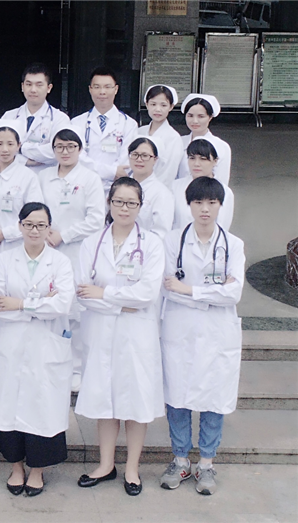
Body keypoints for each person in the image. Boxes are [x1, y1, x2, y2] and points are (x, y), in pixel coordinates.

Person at [74, 177, 165, 496]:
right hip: (100, 332)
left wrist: (105, 295)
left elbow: (147, 294)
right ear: (109, 203)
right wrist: (122, 303)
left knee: (136, 399)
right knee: (105, 397)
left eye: (131, 203)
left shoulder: (151, 244)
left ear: (140, 206)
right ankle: (105, 465)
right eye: (119, 201)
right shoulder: (91, 243)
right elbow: (83, 293)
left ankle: (132, 469)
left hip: (136, 335)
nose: (124, 208)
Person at [159, 176, 245, 496]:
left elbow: (234, 293)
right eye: (198, 202)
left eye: (211, 202)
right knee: (178, 398)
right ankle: (180, 459)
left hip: (218, 333)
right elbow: (168, 288)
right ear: (189, 205)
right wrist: (211, 293)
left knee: (214, 399)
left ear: (220, 205)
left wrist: (189, 290)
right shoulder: (173, 242)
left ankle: (206, 464)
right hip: (180, 330)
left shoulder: (233, 245)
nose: (205, 209)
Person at [0, 202, 74, 496]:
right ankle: (16, 467)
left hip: (46, 346)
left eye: (41, 225)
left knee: (42, 406)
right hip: (12, 343)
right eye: (29, 224)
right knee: (9, 405)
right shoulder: (5, 260)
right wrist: (41, 305)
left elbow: (62, 304)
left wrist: (21, 304)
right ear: (20, 226)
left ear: (49, 228)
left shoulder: (60, 262)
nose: (35, 230)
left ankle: (37, 470)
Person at [0, 120, 44, 380]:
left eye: (10, 144)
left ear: (19, 146)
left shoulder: (27, 176)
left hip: (15, 244)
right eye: (0, 143)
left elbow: (35, 213)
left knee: (13, 299)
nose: (5, 149)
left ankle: (18, 357)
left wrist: (5, 232)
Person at [37, 127, 105, 392]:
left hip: (76, 251)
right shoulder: (43, 177)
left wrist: (64, 235)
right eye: (60, 147)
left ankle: (76, 368)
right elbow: (35, 209)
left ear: (79, 149)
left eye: (70, 147)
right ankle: (49, 364)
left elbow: (96, 220)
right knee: (46, 304)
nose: (65, 152)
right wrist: (44, 233)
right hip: (45, 248)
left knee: (74, 311)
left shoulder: (90, 178)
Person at [71, 67, 138, 194]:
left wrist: (112, 174)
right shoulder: (77, 123)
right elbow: (77, 157)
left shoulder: (129, 124)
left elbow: (127, 161)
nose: (102, 92)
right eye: (97, 87)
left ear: (116, 89)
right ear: (90, 89)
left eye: (107, 87)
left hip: (116, 190)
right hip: (84, 187)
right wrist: (112, 172)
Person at [0, 63, 71, 173]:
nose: (33, 90)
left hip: (45, 178)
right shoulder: (9, 116)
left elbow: (57, 151)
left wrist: (21, 148)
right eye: (28, 84)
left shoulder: (60, 119)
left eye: (39, 85)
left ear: (49, 88)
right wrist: (25, 161)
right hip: (13, 176)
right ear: (22, 87)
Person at [172, 139, 234, 231]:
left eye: (203, 159)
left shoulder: (225, 191)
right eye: (192, 158)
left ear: (215, 161)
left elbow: (222, 226)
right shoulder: (175, 187)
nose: (196, 164)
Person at [176, 94, 232, 186]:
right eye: (190, 116)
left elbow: (222, 182)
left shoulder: (221, 146)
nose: (195, 121)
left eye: (201, 116)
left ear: (210, 117)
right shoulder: (178, 142)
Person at [127, 137, 174, 241]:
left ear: (155, 160)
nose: (139, 159)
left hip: (144, 247)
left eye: (145, 156)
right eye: (135, 154)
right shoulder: (119, 187)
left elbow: (161, 233)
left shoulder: (162, 194)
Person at [138, 85, 182, 187]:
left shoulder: (173, 138)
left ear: (171, 107)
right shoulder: (139, 132)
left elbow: (168, 172)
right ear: (147, 104)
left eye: (163, 105)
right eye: (153, 104)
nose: (158, 109)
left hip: (159, 189)